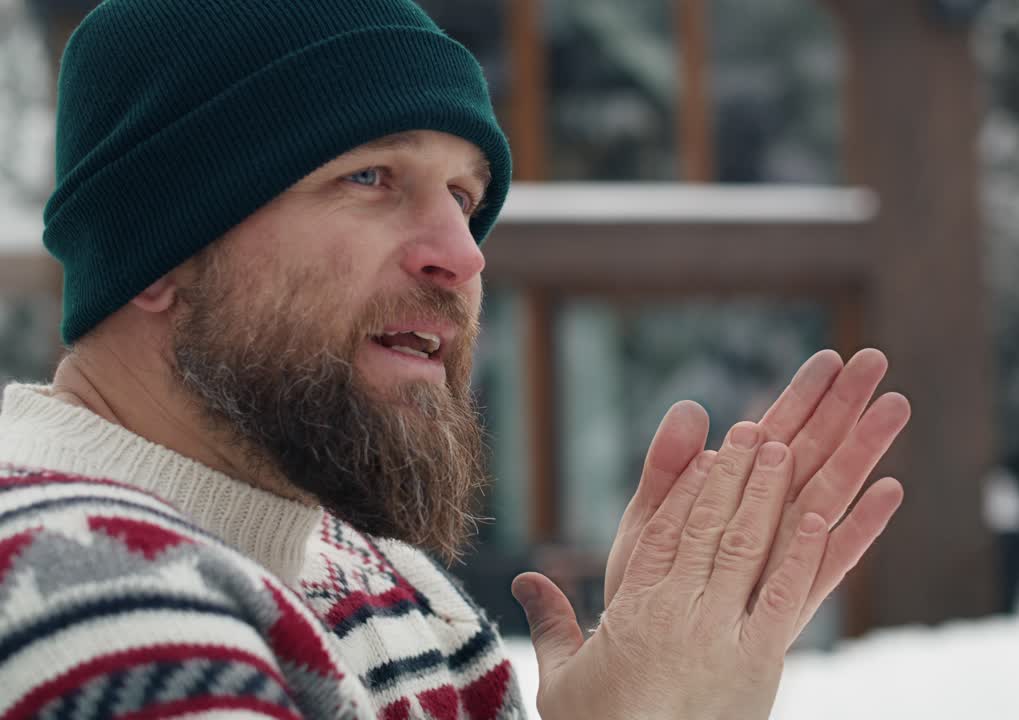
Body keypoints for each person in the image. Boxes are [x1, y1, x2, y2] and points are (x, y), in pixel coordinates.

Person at [0, 0, 911, 717]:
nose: (465, 254)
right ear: (160, 249)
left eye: (466, 197)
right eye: (370, 178)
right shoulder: (73, 593)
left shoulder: (401, 601)